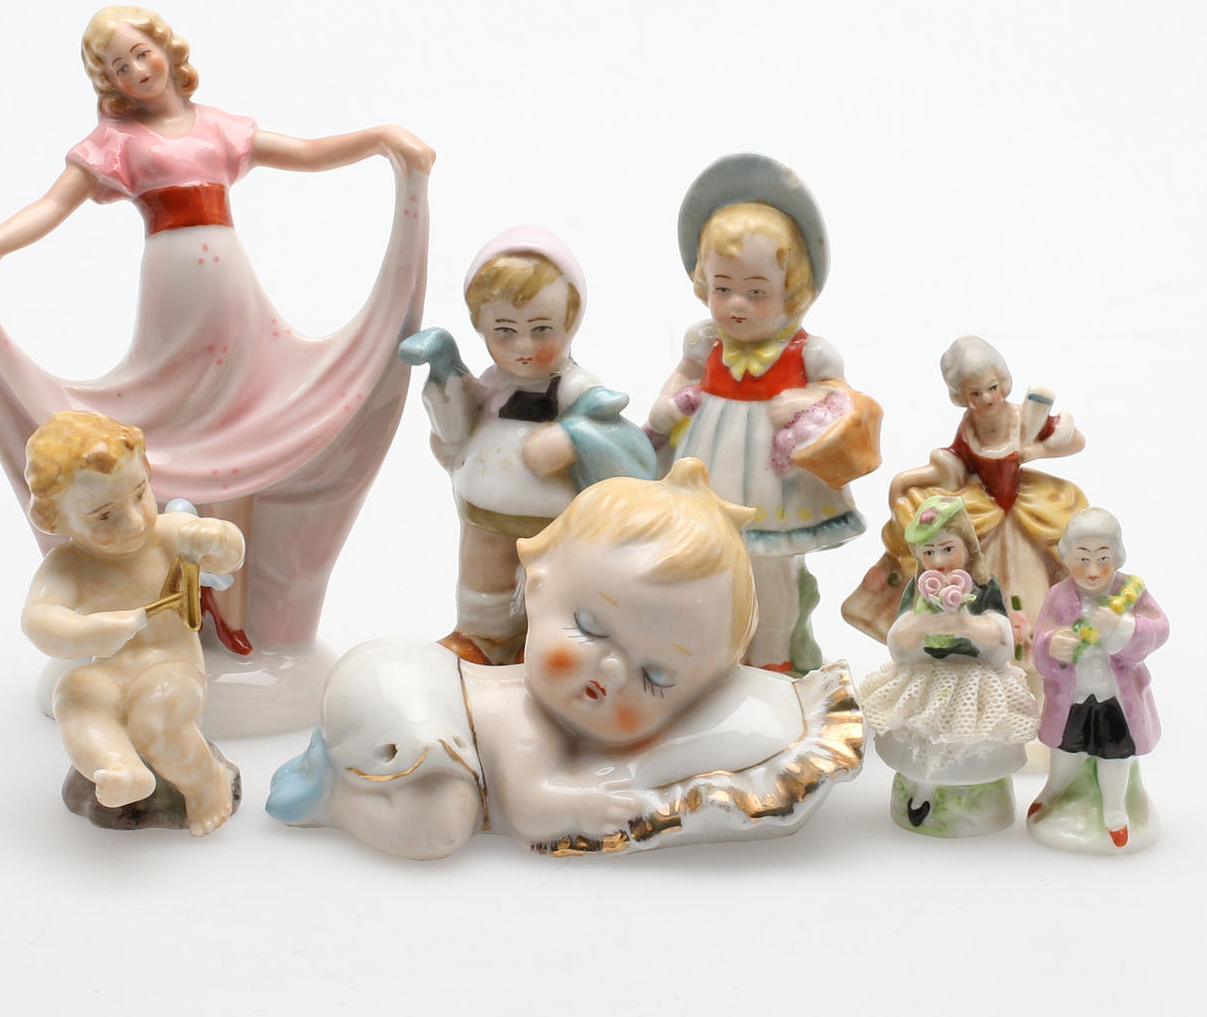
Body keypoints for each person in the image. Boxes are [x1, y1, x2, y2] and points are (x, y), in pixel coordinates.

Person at [0, 5, 433, 682]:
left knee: (242, 445)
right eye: (119, 66)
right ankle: (166, 601)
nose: (136, 70)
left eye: (141, 52)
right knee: (173, 440)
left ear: (167, 50)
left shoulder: (219, 127)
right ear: (110, 81)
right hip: (173, 297)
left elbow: (311, 153)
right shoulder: (116, 142)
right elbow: (54, 206)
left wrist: (381, 137)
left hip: (233, 295)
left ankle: (232, 613)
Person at [266, 460, 863, 858]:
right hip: (400, 685)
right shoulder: (526, 723)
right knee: (441, 826)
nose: (611, 671)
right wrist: (591, 802)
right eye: (592, 628)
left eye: (656, 676)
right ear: (538, 585)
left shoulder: (561, 723)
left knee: (446, 809)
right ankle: (331, 794)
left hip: (398, 683)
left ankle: (345, 769)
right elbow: (530, 810)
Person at [646, 154, 881, 674]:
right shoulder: (704, 341)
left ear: (791, 290)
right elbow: (680, 381)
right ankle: (711, 653)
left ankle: (775, 658)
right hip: (707, 469)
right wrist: (666, 407)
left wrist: (806, 402)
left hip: (774, 487)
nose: (736, 305)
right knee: (706, 561)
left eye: (756, 292)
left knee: (770, 569)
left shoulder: (810, 353)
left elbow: (843, 401)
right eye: (722, 288)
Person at [400, 226, 654, 664]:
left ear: (570, 323)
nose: (523, 346)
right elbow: (454, 432)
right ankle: (483, 636)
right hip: (485, 509)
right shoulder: (491, 385)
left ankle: (546, 640)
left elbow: (622, 442)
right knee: (484, 572)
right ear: (481, 326)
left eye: (541, 329)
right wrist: (443, 370)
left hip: (553, 518)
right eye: (504, 330)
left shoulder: (575, 388)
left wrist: (571, 437)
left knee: (553, 580)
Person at [21, 411, 245, 835]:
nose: (135, 521)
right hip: (109, 670)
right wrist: (89, 631)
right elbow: (38, 620)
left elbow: (228, 557)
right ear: (54, 519)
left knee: (154, 717)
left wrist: (215, 538)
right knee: (74, 694)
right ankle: (120, 769)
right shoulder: (67, 567)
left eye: (139, 495)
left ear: (146, 471)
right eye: (104, 516)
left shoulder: (168, 534)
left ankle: (206, 784)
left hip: (171, 665)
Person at [843, 335, 1085, 699]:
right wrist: (917, 478)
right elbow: (957, 464)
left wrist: (1033, 450)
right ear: (961, 396)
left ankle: (1036, 679)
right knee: (958, 560)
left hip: (1024, 512)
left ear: (1003, 382)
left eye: (992, 388)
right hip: (984, 513)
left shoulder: (1023, 417)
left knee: (1031, 588)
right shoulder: (969, 426)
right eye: (975, 393)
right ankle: (975, 663)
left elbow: (1075, 441)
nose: (986, 399)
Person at [858, 494, 1038, 836]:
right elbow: (899, 639)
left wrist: (966, 625)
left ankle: (976, 801)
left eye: (947, 549)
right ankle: (920, 795)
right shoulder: (918, 588)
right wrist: (921, 626)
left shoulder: (983, 586)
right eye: (929, 552)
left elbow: (1001, 638)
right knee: (922, 732)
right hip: (926, 677)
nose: (938, 561)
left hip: (976, 680)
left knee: (972, 737)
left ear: (967, 547)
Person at [1028, 507, 1167, 854]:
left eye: (1102, 558)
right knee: (1065, 750)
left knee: (1115, 756)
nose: (1092, 570)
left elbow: (1159, 628)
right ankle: (1053, 791)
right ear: (1067, 557)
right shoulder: (1059, 595)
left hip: (1115, 697)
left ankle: (1115, 811)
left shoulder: (1130, 592)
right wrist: (1052, 644)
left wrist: (1123, 627)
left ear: (1116, 556)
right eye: (1082, 558)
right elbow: (1040, 638)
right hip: (1073, 696)